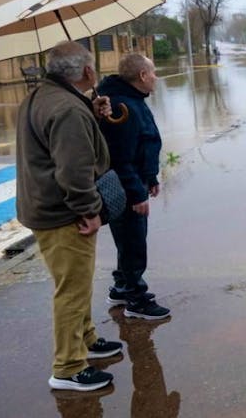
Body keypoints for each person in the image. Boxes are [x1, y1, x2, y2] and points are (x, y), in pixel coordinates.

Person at [16, 41, 122, 392]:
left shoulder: (43, 96)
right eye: (93, 67)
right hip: (64, 215)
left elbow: (56, 143)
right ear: (87, 72)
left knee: (77, 282)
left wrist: (89, 110)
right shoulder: (67, 110)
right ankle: (68, 367)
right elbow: (74, 172)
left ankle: (86, 339)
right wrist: (89, 211)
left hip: (43, 207)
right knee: (72, 290)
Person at [97, 54, 170, 320]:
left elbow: (144, 143)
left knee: (129, 241)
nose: (156, 77)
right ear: (141, 76)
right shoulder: (122, 106)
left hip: (138, 181)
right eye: (153, 72)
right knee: (133, 243)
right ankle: (136, 299)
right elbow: (121, 157)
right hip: (128, 188)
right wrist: (137, 193)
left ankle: (121, 287)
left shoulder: (132, 101)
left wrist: (150, 177)